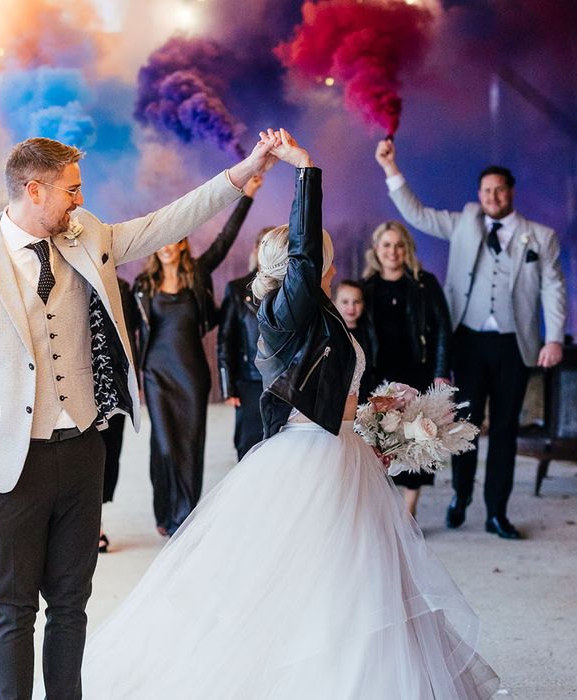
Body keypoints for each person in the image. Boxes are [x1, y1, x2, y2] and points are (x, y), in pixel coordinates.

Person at [75, 128, 500, 700]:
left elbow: (331, 382)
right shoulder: (283, 307)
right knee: (323, 581)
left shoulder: (316, 311)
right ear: (300, 261)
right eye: (312, 247)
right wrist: (305, 170)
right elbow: (302, 256)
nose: (319, 250)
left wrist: (380, 419)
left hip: (342, 448)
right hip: (313, 459)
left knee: (364, 580)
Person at [0, 135, 274, 699]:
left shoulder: (88, 236)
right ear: (33, 191)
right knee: (12, 605)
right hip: (7, 458)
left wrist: (243, 173)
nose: (78, 200)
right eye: (70, 190)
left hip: (84, 449)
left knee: (70, 603)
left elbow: (168, 221)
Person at [375, 139, 567, 538]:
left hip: (515, 344)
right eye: (485, 191)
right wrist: (391, 169)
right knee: (464, 424)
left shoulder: (540, 237)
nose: (492, 197)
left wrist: (554, 339)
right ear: (478, 196)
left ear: (511, 193)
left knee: (505, 430)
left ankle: (497, 511)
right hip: (468, 340)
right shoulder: (465, 222)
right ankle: (460, 496)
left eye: (499, 190)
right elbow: (418, 215)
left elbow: (553, 287)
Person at [134, 174, 262, 536]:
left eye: (173, 236)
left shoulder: (197, 275)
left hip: (191, 372)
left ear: (183, 241)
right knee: (163, 442)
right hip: (157, 372)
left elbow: (226, 239)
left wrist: (247, 194)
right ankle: (164, 511)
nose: (167, 244)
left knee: (190, 442)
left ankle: (184, 516)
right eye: (161, 237)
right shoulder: (145, 285)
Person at [360, 222, 452, 517]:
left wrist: (440, 371)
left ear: (407, 249)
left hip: (417, 372)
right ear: (376, 249)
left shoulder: (424, 283)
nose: (393, 251)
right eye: (386, 245)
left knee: (417, 440)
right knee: (382, 441)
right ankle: (387, 510)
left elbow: (442, 329)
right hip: (378, 375)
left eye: (399, 245)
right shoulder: (367, 287)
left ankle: (408, 513)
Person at [217, 225, 273, 460]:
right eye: (264, 246)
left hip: (284, 383)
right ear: (256, 250)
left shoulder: (292, 290)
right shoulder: (237, 289)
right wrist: (228, 386)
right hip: (248, 380)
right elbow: (225, 340)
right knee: (248, 446)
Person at [98, 274, 138, 553]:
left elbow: (130, 335)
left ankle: (96, 522)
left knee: (109, 453)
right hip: (74, 380)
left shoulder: (121, 287)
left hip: (112, 381)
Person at [332, 279, 376, 404]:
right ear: (334, 303)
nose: (351, 307)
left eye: (356, 301)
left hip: (365, 396)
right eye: (345, 302)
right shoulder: (331, 334)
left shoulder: (368, 333)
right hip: (340, 399)